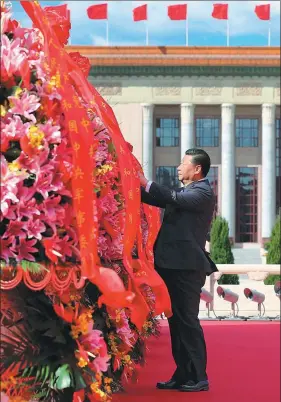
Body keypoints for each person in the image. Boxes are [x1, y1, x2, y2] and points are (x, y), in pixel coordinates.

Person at [139, 148, 218, 393]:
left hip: (186, 268)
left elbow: (171, 197)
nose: (178, 167)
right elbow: (159, 198)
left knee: (187, 321)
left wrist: (146, 182)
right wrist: (131, 185)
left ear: (197, 170)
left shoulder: (203, 192)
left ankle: (198, 376)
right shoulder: (187, 191)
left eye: (183, 164)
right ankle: (183, 372)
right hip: (173, 265)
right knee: (176, 322)